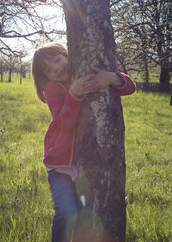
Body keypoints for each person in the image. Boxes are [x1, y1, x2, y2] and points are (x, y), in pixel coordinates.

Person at [31, 42, 135, 242]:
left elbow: (130, 87)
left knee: (82, 214)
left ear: (66, 53)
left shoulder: (84, 72)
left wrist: (111, 78)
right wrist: (75, 93)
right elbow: (65, 123)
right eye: (48, 69)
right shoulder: (54, 88)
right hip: (59, 165)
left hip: (83, 165)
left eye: (56, 59)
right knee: (66, 212)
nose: (55, 68)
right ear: (45, 77)